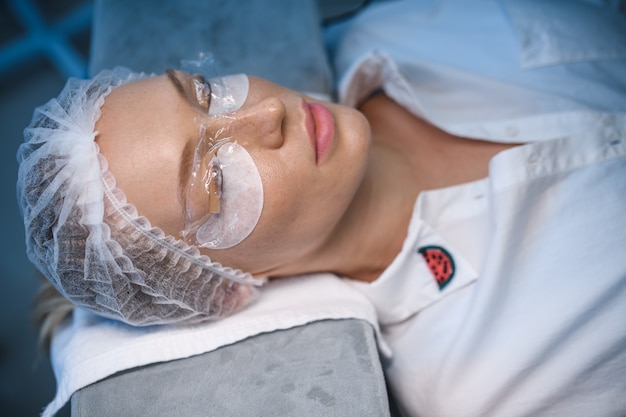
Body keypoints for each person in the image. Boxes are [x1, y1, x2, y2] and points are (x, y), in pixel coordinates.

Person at [17, 0, 626, 416]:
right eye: (219, 179)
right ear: (224, 288)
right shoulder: (488, 382)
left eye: (207, 94)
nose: (265, 114)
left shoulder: (408, 21)